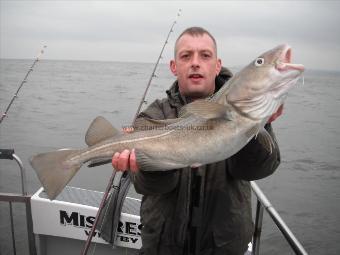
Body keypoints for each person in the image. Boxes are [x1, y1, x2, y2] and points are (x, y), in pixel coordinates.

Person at [112, 27, 281, 255]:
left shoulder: (244, 109)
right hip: (163, 248)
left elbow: (258, 169)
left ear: (217, 65)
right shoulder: (152, 116)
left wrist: (257, 124)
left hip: (223, 248)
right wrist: (151, 164)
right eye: (185, 55)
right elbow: (146, 186)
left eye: (205, 55)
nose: (195, 63)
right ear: (174, 66)